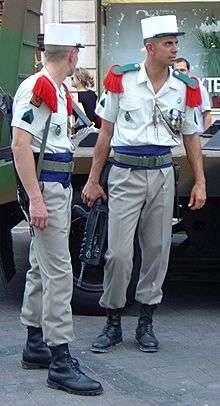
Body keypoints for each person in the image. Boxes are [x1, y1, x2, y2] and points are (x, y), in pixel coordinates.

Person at [82, 15, 206, 353]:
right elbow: (104, 135)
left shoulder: (183, 86)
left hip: (163, 172)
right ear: (150, 48)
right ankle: (112, 321)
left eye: (175, 43)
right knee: (119, 254)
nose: (174, 48)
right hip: (125, 172)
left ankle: (146, 321)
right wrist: (93, 180)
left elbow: (192, 137)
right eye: (168, 43)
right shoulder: (122, 80)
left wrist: (200, 182)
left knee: (157, 251)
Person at [11, 23, 102, 396]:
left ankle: (35, 345)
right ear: (73, 55)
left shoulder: (60, 89)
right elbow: (20, 146)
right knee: (60, 272)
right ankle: (60, 359)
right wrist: (35, 199)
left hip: (56, 184)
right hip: (46, 186)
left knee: (39, 266)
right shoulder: (39, 87)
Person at [174, 57, 212, 134]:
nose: (180, 73)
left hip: (197, 134)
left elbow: (207, 115)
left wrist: (205, 137)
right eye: (177, 71)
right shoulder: (171, 89)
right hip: (177, 136)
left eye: (182, 70)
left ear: (188, 71)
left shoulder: (199, 89)